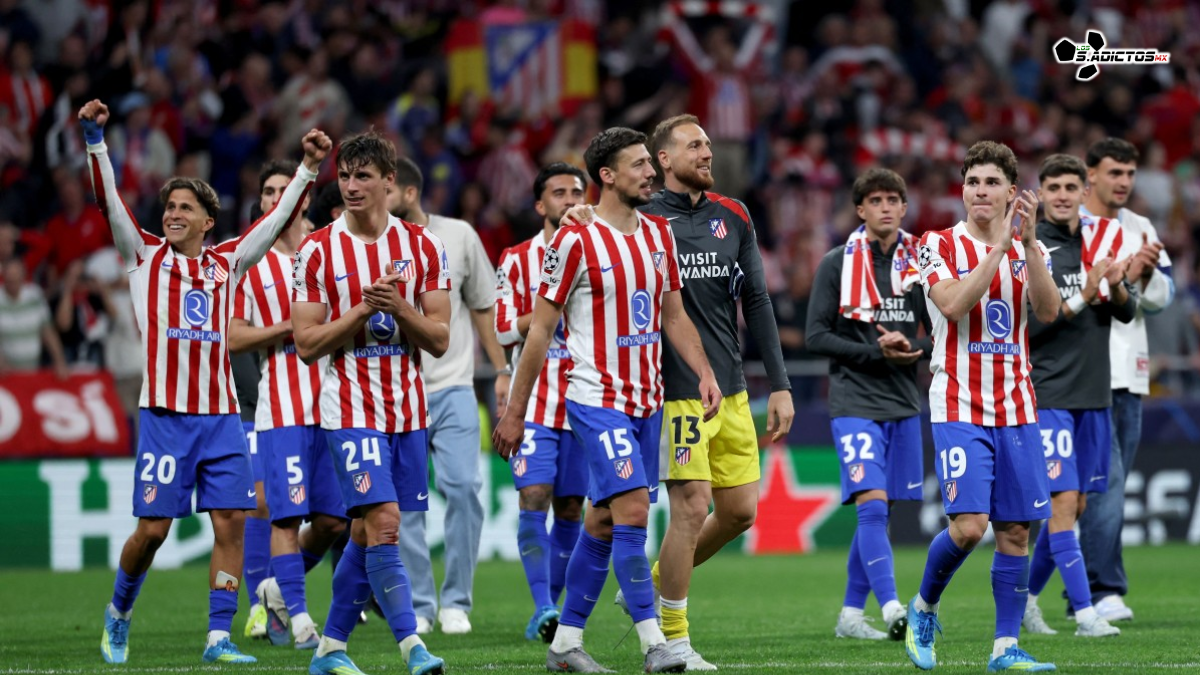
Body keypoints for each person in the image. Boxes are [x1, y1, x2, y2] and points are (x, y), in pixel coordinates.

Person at [81, 98, 329, 665]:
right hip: (166, 417)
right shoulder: (142, 257)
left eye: (185, 207)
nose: (172, 214)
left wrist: (310, 169)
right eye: (169, 205)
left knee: (232, 523)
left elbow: (272, 223)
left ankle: (219, 636)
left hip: (220, 418)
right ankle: (118, 613)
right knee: (152, 531)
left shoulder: (226, 263)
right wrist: (96, 141)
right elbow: (108, 202)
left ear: (206, 220)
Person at [565, 114, 795, 670]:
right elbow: (591, 228)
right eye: (695, 146)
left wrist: (781, 385)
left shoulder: (734, 216)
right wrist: (578, 212)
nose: (708, 153)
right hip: (669, 390)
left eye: (709, 144)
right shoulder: (640, 217)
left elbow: (758, 303)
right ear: (663, 160)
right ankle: (675, 638)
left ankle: (653, 583)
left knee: (740, 511)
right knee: (690, 506)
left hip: (731, 386)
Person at [493, 126, 721, 674]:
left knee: (599, 523)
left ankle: (565, 645)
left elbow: (672, 314)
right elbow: (540, 332)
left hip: (647, 403)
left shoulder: (658, 235)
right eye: (640, 165)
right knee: (634, 513)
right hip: (595, 399)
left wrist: (705, 371)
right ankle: (654, 644)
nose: (651, 172)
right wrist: (516, 412)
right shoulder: (575, 241)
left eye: (651, 163)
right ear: (608, 176)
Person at [291, 130, 448, 675]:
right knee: (383, 522)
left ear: (390, 182)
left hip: (407, 408)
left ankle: (330, 649)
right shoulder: (316, 251)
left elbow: (440, 338)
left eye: (363, 176)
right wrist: (361, 310)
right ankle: (413, 647)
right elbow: (307, 346)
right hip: (350, 407)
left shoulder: (423, 247)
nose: (351, 186)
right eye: (345, 175)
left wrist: (399, 308)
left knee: (363, 532)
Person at [905, 140, 1060, 672]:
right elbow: (950, 303)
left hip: (1016, 404)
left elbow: (1048, 309)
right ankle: (923, 607)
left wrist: (1030, 244)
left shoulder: (1030, 250)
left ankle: (1004, 648)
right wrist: (998, 249)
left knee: (1016, 530)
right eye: (972, 182)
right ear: (962, 190)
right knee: (970, 527)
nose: (980, 191)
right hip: (958, 402)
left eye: (992, 182)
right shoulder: (937, 244)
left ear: (1012, 192)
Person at [805, 168, 930, 641]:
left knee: (883, 508)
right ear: (860, 209)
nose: (884, 207)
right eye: (874, 200)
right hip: (854, 399)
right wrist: (874, 352)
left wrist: (912, 345)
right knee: (872, 505)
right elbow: (816, 335)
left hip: (902, 401)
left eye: (893, 199)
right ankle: (894, 606)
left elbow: (940, 333)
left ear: (903, 207)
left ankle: (850, 615)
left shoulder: (922, 262)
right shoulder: (837, 263)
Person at [387, 157, 508, 635]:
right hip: (399, 393)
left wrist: (501, 370)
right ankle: (421, 603)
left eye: (386, 188)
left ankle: (456, 599)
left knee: (463, 489)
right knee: (409, 505)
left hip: (455, 385)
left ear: (409, 193)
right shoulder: (370, 246)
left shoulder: (458, 236)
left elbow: (482, 306)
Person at [229, 159, 347, 649]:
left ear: (303, 198)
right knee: (283, 515)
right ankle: (299, 619)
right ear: (261, 202)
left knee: (333, 521)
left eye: (287, 190)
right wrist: (290, 331)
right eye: (269, 191)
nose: (279, 198)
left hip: (338, 405)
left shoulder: (332, 251)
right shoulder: (250, 263)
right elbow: (233, 336)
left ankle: (276, 586)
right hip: (282, 409)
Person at [1022, 153, 1136, 638]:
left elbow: (1126, 314)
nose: (1064, 196)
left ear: (1081, 192)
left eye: (1072, 187)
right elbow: (1031, 328)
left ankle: (1026, 600)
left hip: (1095, 395)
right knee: (1063, 501)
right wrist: (1084, 295)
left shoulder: (1099, 243)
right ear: (1042, 195)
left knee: (1079, 505)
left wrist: (1115, 287)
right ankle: (1086, 612)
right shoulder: (1032, 250)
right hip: (1049, 394)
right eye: (1055, 188)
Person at [1077, 138, 1174, 622]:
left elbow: (1163, 297)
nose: (1123, 183)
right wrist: (1122, 280)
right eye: (1114, 172)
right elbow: (1065, 299)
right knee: (1103, 486)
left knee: (1105, 486)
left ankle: (1075, 590)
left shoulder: (1141, 227)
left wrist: (1143, 275)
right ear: (1090, 174)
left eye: (1130, 174)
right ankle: (1102, 589)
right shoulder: (1070, 223)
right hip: (1081, 374)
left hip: (1130, 374)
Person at [494, 162, 589, 642]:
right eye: (559, 192)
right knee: (534, 496)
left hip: (584, 400)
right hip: (533, 405)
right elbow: (503, 328)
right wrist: (549, 308)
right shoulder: (515, 259)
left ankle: (550, 612)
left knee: (571, 507)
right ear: (540, 204)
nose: (570, 199)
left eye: (577, 191)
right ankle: (543, 606)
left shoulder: (599, 251)